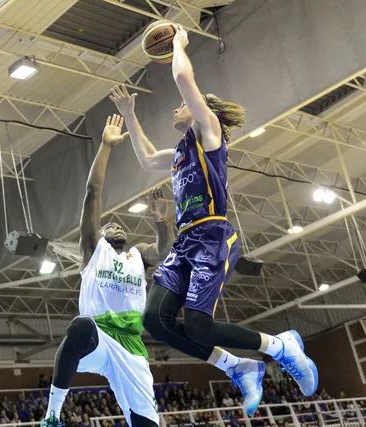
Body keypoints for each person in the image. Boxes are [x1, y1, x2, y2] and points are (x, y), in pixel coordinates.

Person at [109, 23, 318, 416]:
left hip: (212, 235)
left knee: (198, 326)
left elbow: (184, 78)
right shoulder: (179, 153)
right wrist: (130, 115)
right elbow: (146, 159)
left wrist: (179, 44)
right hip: (185, 242)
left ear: (200, 109)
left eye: (182, 104)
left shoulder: (210, 134)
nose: (176, 107)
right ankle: (239, 366)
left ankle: (280, 346)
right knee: (155, 320)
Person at [41, 115, 171, 427]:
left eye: (119, 224)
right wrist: (106, 147)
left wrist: (160, 219)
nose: (116, 225)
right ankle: (52, 415)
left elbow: (165, 251)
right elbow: (93, 192)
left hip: (132, 346)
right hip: (98, 338)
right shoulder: (93, 249)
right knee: (80, 326)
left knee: (147, 423)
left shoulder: (138, 255)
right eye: (108, 225)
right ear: (100, 234)